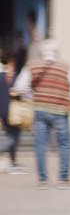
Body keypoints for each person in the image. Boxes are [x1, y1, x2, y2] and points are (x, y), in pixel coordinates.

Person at [12, 40, 70, 187]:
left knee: (40, 145)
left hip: (40, 110)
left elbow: (19, 87)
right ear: (57, 52)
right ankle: (63, 179)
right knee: (64, 144)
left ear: (42, 52)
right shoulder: (66, 67)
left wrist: (31, 97)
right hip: (60, 110)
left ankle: (42, 180)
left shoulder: (32, 65)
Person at [2, 39, 25, 173]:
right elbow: (20, 91)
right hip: (11, 111)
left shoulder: (3, 76)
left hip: (5, 111)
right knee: (13, 136)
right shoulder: (13, 77)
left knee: (11, 134)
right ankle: (3, 151)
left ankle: (13, 161)